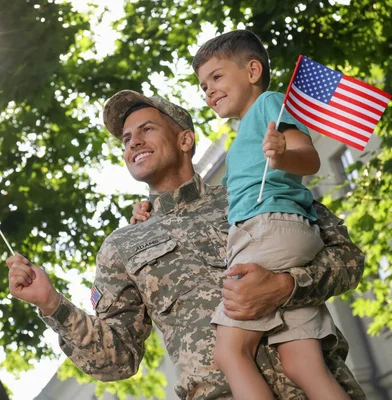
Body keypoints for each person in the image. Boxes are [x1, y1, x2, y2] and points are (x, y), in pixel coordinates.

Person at [6, 89, 366, 399]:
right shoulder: (122, 246)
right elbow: (116, 360)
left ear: (185, 140)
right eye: (126, 139)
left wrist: (287, 287)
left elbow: (347, 257)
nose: (133, 141)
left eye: (147, 129)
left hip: (318, 386)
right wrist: (52, 305)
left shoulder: (252, 189)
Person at [133, 30, 351, 399]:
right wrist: (149, 213)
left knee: (231, 350)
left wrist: (282, 154)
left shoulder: (268, 105)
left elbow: (309, 157)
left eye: (216, 77)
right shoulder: (243, 138)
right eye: (203, 85)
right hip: (281, 233)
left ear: (252, 71)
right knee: (303, 363)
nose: (209, 90)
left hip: (269, 230)